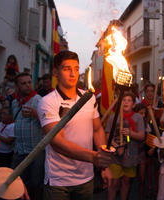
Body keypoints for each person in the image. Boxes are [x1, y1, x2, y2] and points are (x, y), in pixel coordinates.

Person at [37, 50, 113, 200]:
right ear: (55, 72)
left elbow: (97, 130)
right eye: (66, 69)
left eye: (76, 69)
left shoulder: (88, 98)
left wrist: (104, 165)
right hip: (59, 181)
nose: (73, 74)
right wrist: (94, 157)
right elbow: (57, 142)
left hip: (86, 178)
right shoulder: (47, 102)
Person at [105, 93, 145, 200]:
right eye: (123, 100)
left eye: (129, 100)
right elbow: (108, 134)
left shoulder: (138, 118)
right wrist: (116, 145)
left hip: (130, 155)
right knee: (113, 183)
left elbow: (142, 136)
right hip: (115, 156)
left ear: (133, 105)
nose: (126, 102)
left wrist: (131, 133)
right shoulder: (114, 117)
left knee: (126, 182)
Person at [11, 72, 45, 200]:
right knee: (16, 184)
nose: (27, 86)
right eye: (23, 83)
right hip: (19, 150)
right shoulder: (15, 102)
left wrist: (36, 114)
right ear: (17, 86)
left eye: (29, 82)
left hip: (35, 152)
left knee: (36, 185)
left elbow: (50, 124)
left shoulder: (39, 101)